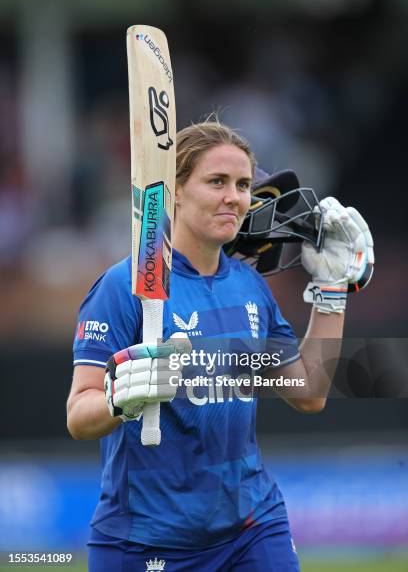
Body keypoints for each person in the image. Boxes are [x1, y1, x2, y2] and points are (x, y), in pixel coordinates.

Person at [67, 119, 373, 571]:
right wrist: (118, 397)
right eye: (217, 182)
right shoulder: (123, 286)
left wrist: (331, 293)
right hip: (143, 541)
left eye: (243, 184)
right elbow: (79, 415)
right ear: (173, 190)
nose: (235, 197)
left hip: (251, 526)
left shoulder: (250, 287)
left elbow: (308, 392)